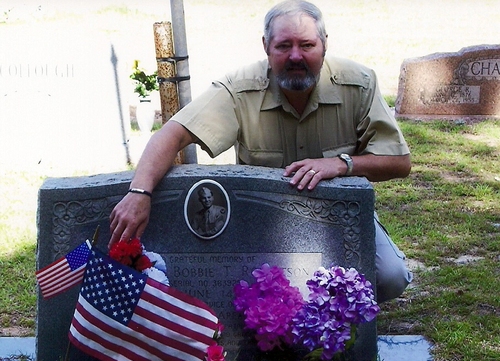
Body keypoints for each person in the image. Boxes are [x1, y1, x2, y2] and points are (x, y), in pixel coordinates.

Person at [109, 0, 413, 302]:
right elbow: (172, 134)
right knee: (238, 285)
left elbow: (399, 162)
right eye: (284, 46)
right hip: (262, 223)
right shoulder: (239, 89)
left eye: (306, 45)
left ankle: (342, 314)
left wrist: (340, 164)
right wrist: (139, 193)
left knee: (390, 277)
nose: (296, 56)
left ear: (324, 45)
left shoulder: (359, 84)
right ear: (266, 46)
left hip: (336, 215)